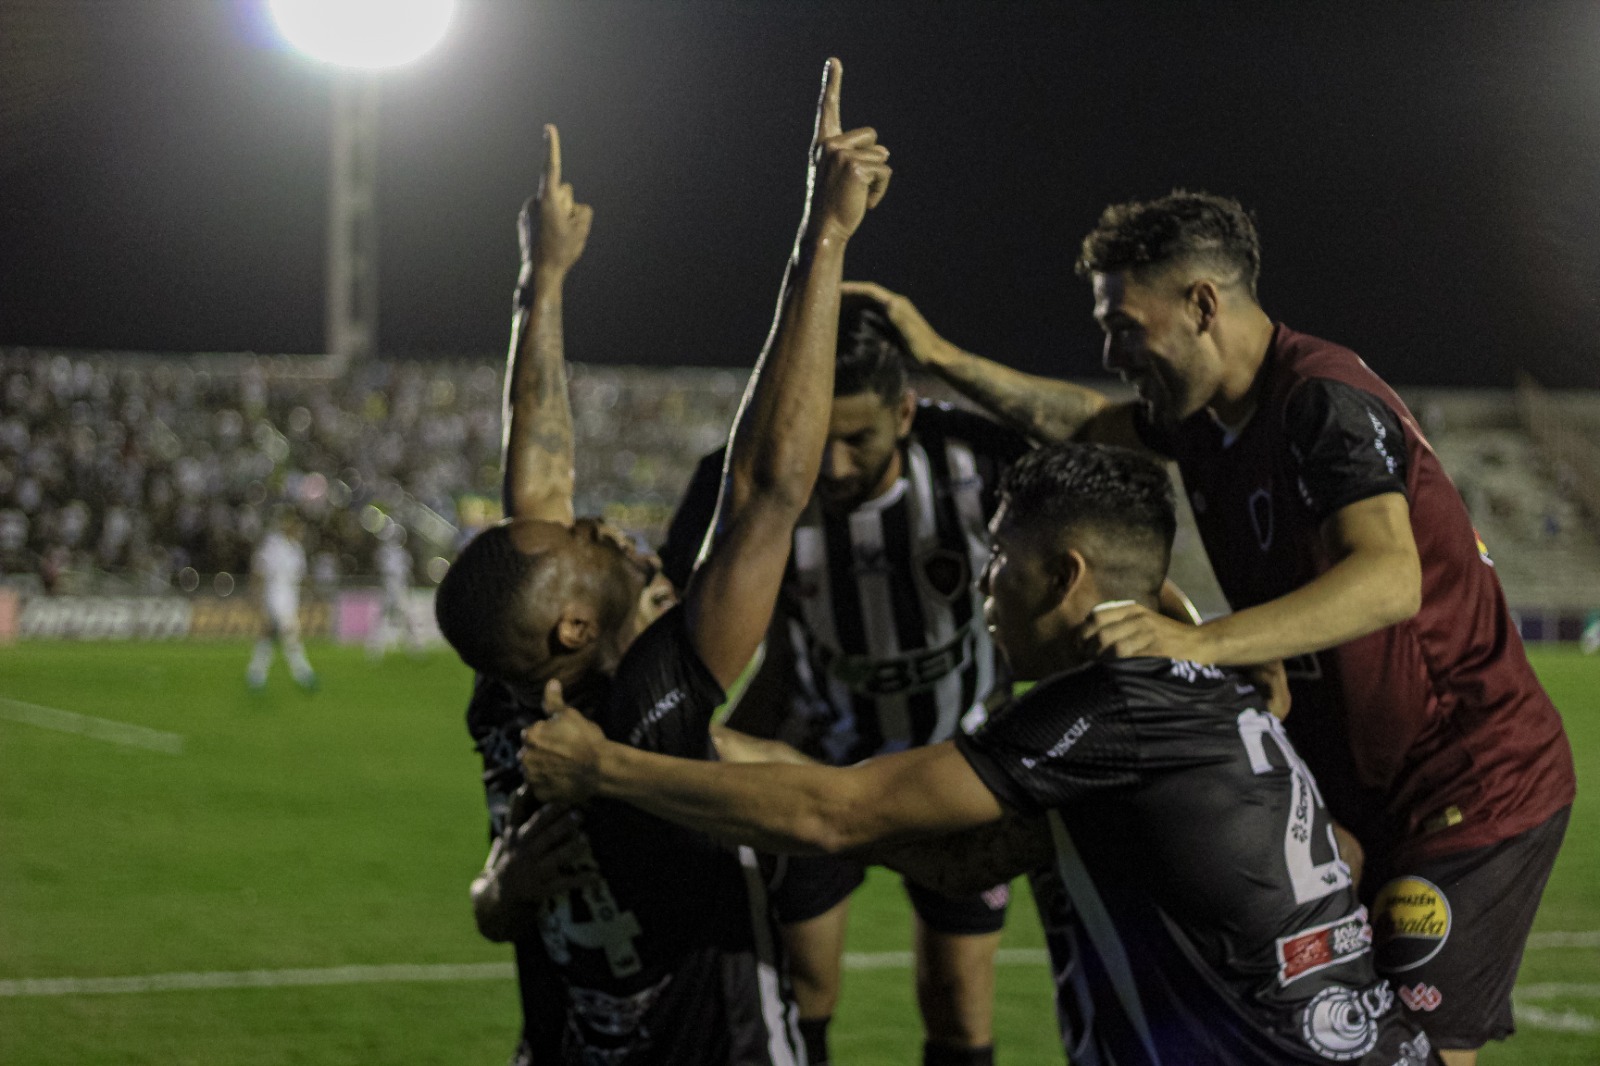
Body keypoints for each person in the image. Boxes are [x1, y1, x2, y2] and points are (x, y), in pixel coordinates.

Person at [840, 190, 1575, 1065]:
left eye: (1123, 323)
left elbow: (1388, 578)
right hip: (1360, 787)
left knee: (1416, 1050)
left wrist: (1205, 642)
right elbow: (1088, 424)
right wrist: (939, 358)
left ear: (1201, 305)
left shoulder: (1320, 403)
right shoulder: (1207, 425)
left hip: (1466, 785)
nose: (1110, 349)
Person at [521, 442, 1442, 1066]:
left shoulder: (1109, 706)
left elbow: (837, 812)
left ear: (1066, 575)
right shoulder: (1197, 692)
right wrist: (718, 750)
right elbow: (962, 862)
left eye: (1000, 562)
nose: (986, 594)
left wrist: (609, 768)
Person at [434, 59, 892, 1065]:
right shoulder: (649, 706)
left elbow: (536, 483)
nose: (590, 521)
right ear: (572, 629)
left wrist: (540, 282)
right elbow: (768, 486)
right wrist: (825, 237)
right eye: (582, 542)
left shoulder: (504, 697)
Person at [656, 303, 1031, 1066]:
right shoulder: (741, 478)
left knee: (960, 1002)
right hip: (819, 764)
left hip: (958, 768)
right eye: (815, 438)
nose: (831, 466)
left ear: (904, 410)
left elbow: (1103, 516)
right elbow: (664, 618)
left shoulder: (980, 461)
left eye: (857, 438)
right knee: (805, 985)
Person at [246, 509, 317, 691]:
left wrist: (309, 591)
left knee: (268, 634)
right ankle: (303, 673)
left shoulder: (296, 550)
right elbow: (259, 570)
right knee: (290, 631)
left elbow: (301, 576)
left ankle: (256, 673)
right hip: (274, 593)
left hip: (291, 595)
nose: (298, 531)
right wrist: (256, 594)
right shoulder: (273, 545)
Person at [367, 524, 424, 659]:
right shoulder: (386, 553)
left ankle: (413, 647)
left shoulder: (400, 553)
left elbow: (405, 574)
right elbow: (387, 573)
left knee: (403, 618)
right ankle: (375, 648)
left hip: (398, 588)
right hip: (391, 589)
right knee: (387, 618)